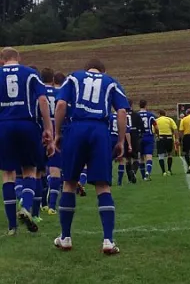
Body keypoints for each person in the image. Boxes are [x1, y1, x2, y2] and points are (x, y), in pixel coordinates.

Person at [54, 58, 129, 254]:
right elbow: (121, 111)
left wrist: (57, 133)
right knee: (103, 186)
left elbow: (61, 104)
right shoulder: (111, 81)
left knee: (69, 182)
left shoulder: (73, 77)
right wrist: (120, 141)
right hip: (99, 130)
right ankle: (108, 240)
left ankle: (65, 237)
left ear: (86, 69)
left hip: (76, 128)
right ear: (103, 71)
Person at [0, 47, 54, 235]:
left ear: (2, 60)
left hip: (4, 125)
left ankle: (12, 227)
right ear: (19, 58)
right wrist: (48, 128)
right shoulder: (30, 73)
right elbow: (43, 100)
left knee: (8, 174)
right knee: (30, 170)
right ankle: (27, 207)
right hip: (27, 124)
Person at [40, 67, 62, 216]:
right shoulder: (60, 93)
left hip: (41, 130)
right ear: (53, 80)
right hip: (56, 130)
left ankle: (40, 202)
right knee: (55, 169)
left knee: (37, 170)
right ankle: (52, 206)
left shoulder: (38, 94)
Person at [138, 100, 159, 181]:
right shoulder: (150, 115)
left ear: (139, 106)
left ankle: (143, 176)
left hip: (139, 137)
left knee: (141, 157)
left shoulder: (136, 115)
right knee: (149, 156)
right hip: (149, 137)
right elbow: (156, 127)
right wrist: (157, 134)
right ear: (146, 105)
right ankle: (148, 173)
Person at [109, 111, 131, 185]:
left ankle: (109, 178)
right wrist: (129, 144)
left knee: (109, 160)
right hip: (119, 140)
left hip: (110, 139)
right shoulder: (122, 118)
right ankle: (119, 181)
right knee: (121, 160)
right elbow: (127, 132)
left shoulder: (110, 116)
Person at [156, 109, 179, 176]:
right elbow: (175, 129)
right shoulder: (169, 119)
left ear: (159, 114)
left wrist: (157, 135)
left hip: (160, 138)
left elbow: (154, 129)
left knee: (161, 155)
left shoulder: (156, 120)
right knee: (169, 154)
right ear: (165, 114)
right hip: (169, 138)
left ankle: (163, 172)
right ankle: (169, 170)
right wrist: (177, 139)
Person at [124, 98, 142, 183]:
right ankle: (133, 172)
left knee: (127, 159)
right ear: (131, 105)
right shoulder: (136, 115)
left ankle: (129, 178)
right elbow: (141, 127)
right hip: (134, 136)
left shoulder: (122, 115)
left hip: (125, 137)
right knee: (136, 158)